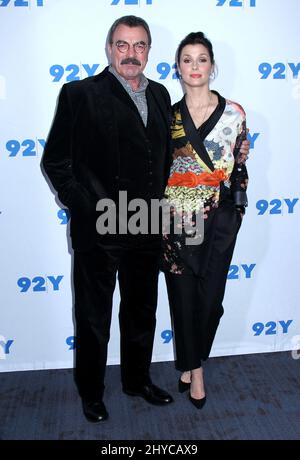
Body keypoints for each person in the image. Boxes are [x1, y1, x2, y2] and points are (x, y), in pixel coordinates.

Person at [42, 16, 250, 422]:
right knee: (93, 316)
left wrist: (237, 154)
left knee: (141, 311)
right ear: (109, 49)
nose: (131, 54)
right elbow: (56, 162)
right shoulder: (79, 93)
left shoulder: (159, 96)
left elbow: (179, 157)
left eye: (139, 46)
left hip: (148, 223)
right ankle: (92, 392)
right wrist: (86, 207)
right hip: (100, 225)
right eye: (122, 45)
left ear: (149, 52)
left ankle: (136, 380)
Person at [161, 32, 249, 409]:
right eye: (187, 59)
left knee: (211, 302)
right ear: (177, 67)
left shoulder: (235, 113)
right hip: (176, 221)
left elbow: (240, 165)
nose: (194, 67)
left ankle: (191, 359)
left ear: (212, 66)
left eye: (201, 59)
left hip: (219, 220)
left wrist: (236, 209)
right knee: (182, 301)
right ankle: (195, 372)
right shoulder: (168, 116)